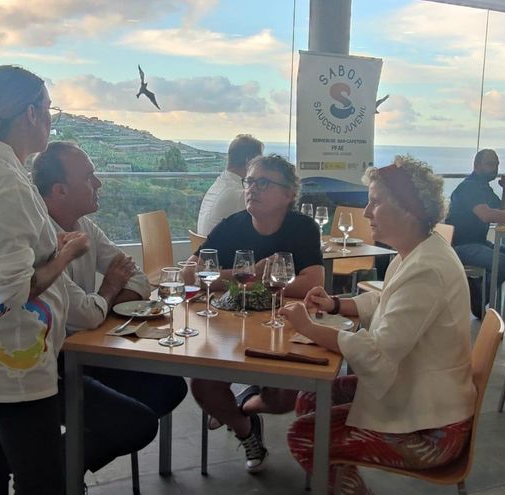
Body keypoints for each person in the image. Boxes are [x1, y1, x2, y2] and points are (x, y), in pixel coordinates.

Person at [279, 155, 476, 495]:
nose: (367, 212)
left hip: (433, 430)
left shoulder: (428, 268)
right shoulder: (418, 252)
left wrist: (310, 327)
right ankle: (338, 479)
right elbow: (387, 302)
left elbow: (377, 353)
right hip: (416, 395)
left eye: (376, 202)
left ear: (410, 211)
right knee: (312, 397)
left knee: (305, 436)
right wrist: (336, 304)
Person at [0, 65, 89, 494]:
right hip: (14, 360)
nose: (50, 117)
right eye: (49, 108)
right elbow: (13, 292)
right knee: (42, 480)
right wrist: (65, 254)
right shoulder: (6, 181)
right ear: (30, 114)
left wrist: (49, 246)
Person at [32, 141, 187, 473]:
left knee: (171, 385)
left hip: (90, 348)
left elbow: (139, 279)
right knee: (139, 425)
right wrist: (110, 289)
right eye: (89, 177)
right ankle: (49, 474)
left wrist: (103, 304)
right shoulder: (44, 242)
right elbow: (87, 313)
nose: (98, 183)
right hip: (55, 364)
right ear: (59, 190)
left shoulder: (83, 225)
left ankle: (56, 464)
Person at [184, 154, 324, 473]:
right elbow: (189, 273)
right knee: (203, 387)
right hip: (226, 327)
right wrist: (246, 273)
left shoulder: (302, 228)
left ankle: (244, 406)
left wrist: (260, 280)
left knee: (285, 398)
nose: (252, 189)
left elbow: (314, 283)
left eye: (264, 183)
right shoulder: (232, 225)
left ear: (289, 195)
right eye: (250, 181)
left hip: (281, 328)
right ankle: (247, 430)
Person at [446, 149, 505, 314]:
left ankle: (477, 286)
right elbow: (486, 215)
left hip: (480, 242)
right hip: (460, 245)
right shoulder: (469, 187)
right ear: (476, 165)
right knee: (503, 263)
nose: (495, 168)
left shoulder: (484, 188)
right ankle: (477, 298)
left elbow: (503, 215)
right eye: (490, 164)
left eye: (496, 164)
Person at [196, 134, 264, 235]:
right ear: (249, 161)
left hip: (205, 249)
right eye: (259, 162)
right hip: (222, 250)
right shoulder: (240, 193)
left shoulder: (220, 184)